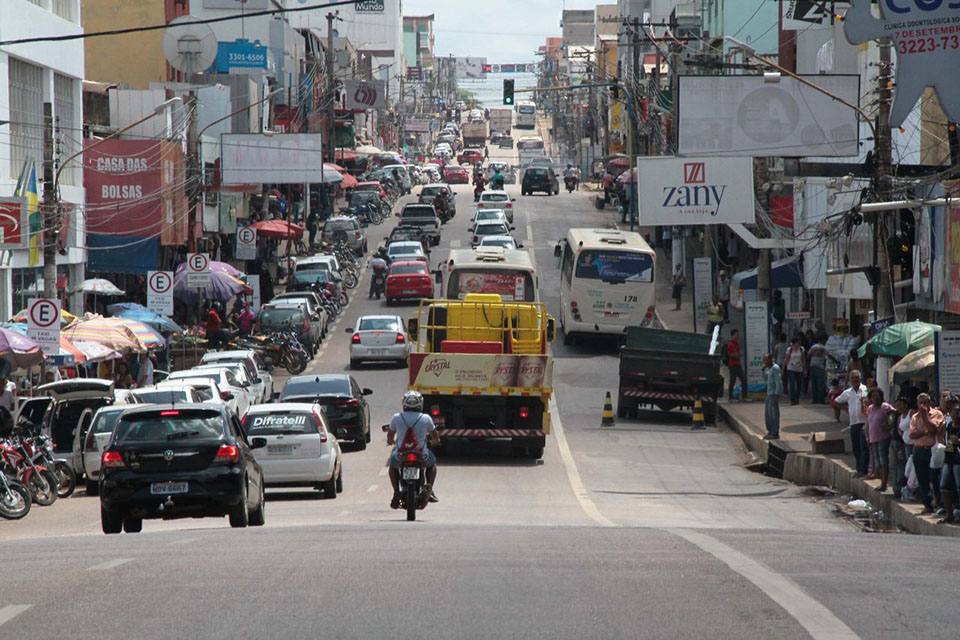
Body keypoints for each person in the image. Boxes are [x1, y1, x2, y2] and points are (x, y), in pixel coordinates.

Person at [387, 391, 440, 509]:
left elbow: (390, 435)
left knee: (392, 466)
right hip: (422, 455)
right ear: (420, 403)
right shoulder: (426, 418)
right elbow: (434, 435)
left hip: (402, 455)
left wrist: (390, 441)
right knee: (432, 464)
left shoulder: (397, 417)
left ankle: (396, 491)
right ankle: (429, 488)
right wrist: (436, 441)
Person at [909, 393, 947, 514]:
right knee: (922, 479)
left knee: (934, 478)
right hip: (919, 449)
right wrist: (925, 432)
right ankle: (927, 504)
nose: (922, 405)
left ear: (930, 403)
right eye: (920, 403)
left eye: (925, 402)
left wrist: (925, 415)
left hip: (932, 450)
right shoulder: (915, 417)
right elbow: (912, 434)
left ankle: (939, 503)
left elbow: (933, 429)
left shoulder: (937, 414)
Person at [836, 370, 869, 477]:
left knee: (864, 447)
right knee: (856, 447)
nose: (855, 380)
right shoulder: (848, 392)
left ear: (860, 378)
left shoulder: (866, 390)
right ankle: (859, 468)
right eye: (853, 378)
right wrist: (845, 409)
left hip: (864, 422)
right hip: (854, 423)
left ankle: (863, 469)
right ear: (850, 379)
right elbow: (836, 401)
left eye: (857, 377)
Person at [865, 388, 896, 491]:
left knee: (883, 461)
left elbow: (893, 413)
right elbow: (868, 424)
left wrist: (889, 425)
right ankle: (881, 482)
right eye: (873, 396)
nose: (876, 398)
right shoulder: (870, 408)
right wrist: (868, 438)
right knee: (877, 461)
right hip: (873, 438)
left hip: (883, 437)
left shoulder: (885, 407)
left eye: (877, 395)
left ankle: (884, 484)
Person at [940, 401, 960, 523]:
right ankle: (949, 514)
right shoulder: (950, 426)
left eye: (958, 412)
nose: (956, 415)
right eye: (954, 412)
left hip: (959, 462)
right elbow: (948, 443)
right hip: (950, 459)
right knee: (944, 486)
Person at [893, 395, 915, 498]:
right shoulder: (899, 417)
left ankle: (913, 488)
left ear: (906, 404)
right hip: (906, 444)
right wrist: (903, 436)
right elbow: (899, 428)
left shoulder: (912, 413)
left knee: (913, 467)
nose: (899, 407)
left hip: (914, 444)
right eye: (897, 405)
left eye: (900, 404)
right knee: (906, 466)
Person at [763, 353, 782, 440]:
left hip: (773, 394)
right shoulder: (769, 369)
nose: (765, 362)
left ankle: (774, 433)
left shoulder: (775, 368)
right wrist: (763, 370)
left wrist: (777, 394)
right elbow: (765, 379)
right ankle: (770, 431)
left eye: (766, 360)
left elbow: (778, 382)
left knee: (773, 415)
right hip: (769, 394)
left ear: (770, 359)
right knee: (768, 415)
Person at [783, 336, 806, 405]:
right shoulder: (789, 350)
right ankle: (792, 399)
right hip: (791, 369)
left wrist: (805, 369)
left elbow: (803, 359)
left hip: (799, 369)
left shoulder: (802, 349)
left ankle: (797, 398)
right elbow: (786, 359)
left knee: (799, 385)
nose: (798, 345)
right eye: (797, 343)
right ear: (794, 344)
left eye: (799, 343)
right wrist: (783, 368)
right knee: (792, 384)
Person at [725, 329, 746, 402]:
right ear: (733, 335)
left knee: (743, 380)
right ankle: (730, 397)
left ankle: (744, 396)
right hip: (732, 365)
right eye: (736, 334)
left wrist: (738, 355)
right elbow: (730, 354)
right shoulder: (730, 344)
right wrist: (737, 355)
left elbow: (738, 353)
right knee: (732, 381)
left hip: (738, 364)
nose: (738, 336)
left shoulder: (737, 343)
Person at [807, 337, 828, 404]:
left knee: (814, 384)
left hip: (812, 366)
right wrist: (836, 361)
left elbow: (808, 356)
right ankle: (820, 400)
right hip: (819, 367)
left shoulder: (813, 347)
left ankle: (814, 399)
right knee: (820, 384)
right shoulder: (823, 347)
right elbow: (829, 355)